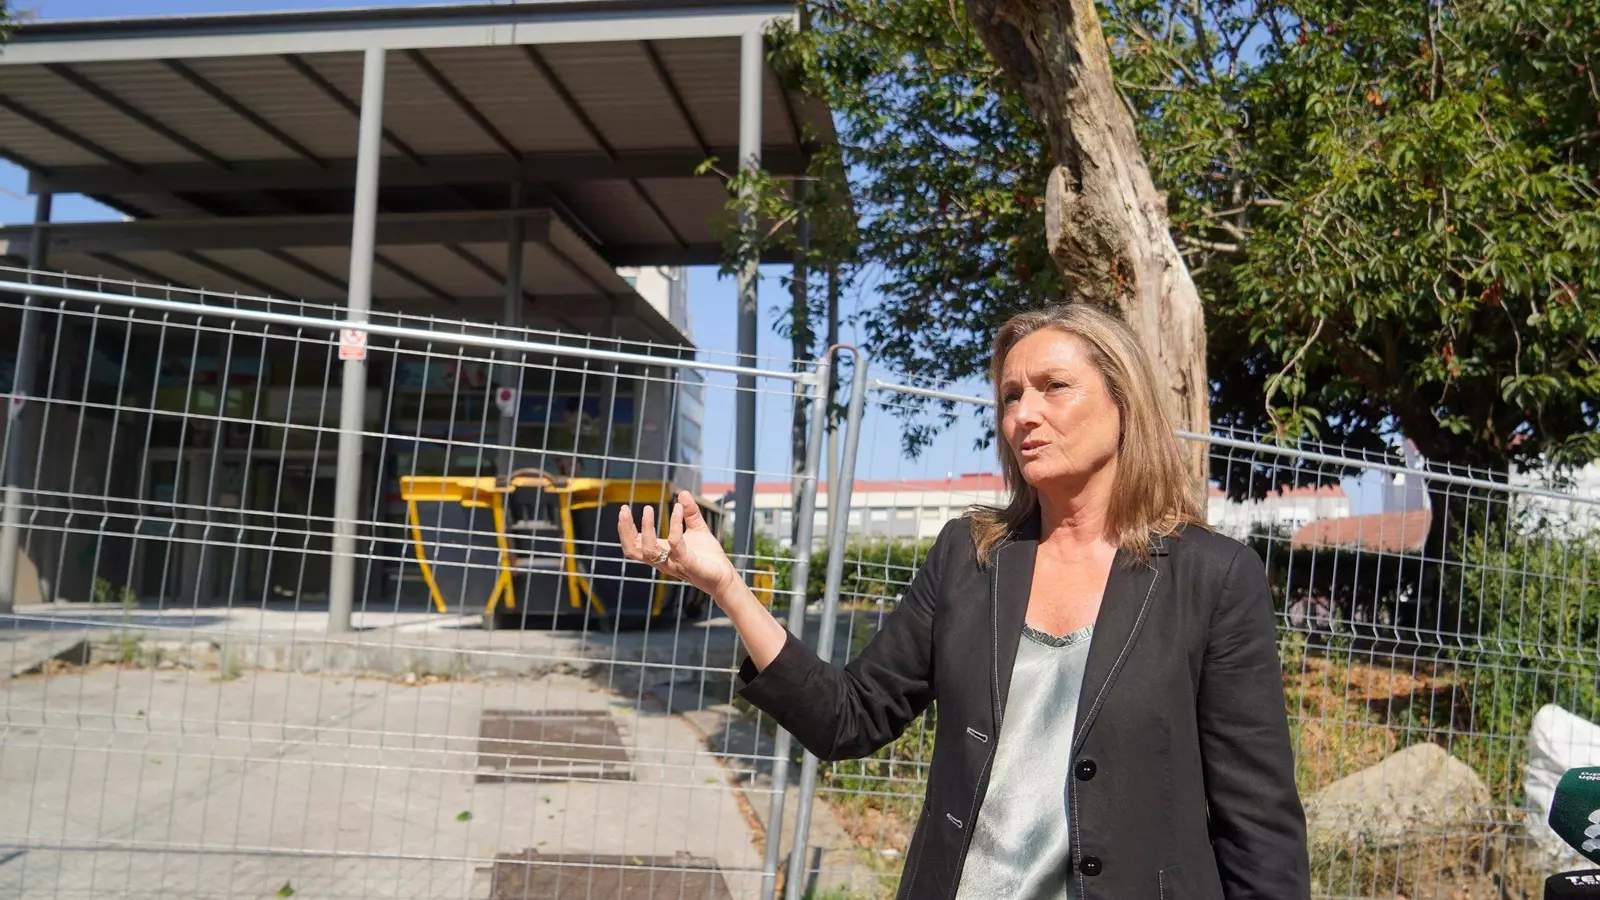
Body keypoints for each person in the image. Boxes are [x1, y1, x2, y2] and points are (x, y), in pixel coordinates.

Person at [617, 304, 1310, 899]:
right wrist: (727, 586)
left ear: (1123, 404)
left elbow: (1258, 821)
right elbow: (847, 718)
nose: (1023, 415)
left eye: (1053, 387)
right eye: (1010, 396)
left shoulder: (1211, 578)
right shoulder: (970, 557)